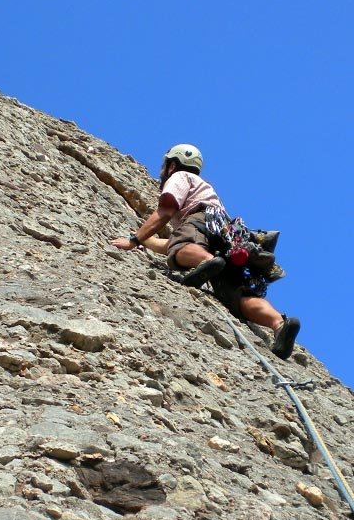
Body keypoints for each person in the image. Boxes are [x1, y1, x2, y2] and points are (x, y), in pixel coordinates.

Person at [111, 144, 300, 360]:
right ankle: (278, 324)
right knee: (238, 296)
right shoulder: (208, 192)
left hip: (201, 225)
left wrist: (134, 240)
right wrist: (149, 242)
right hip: (225, 235)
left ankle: (208, 262)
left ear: (173, 164)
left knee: (183, 250)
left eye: (165, 165)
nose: (162, 169)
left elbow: (166, 213)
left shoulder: (180, 176)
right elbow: (172, 244)